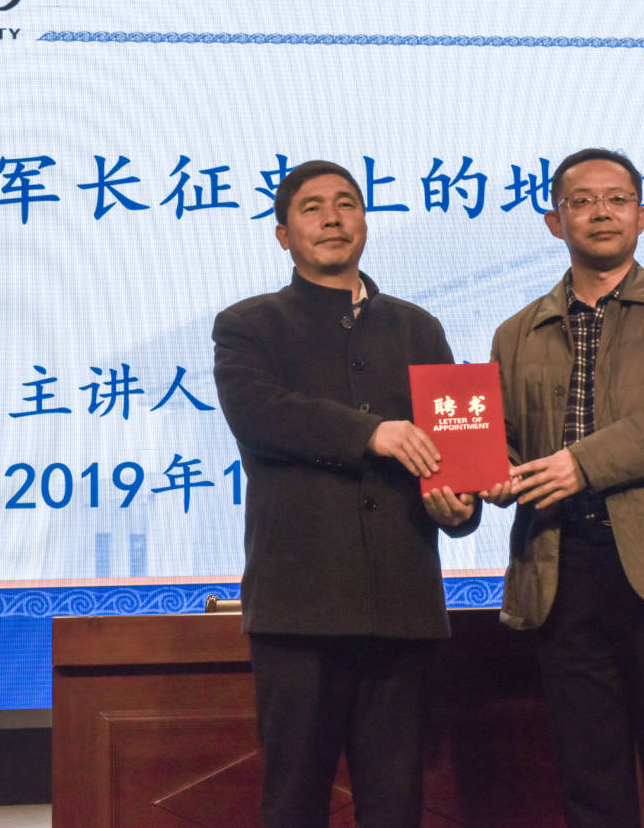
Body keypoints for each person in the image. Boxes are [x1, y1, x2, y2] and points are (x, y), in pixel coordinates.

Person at [212, 160, 479, 828]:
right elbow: (261, 414)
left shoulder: (419, 327)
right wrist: (372, 433)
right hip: (299, 610)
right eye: (312, 208)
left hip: (402, 605)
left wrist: (461, 505)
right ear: (283, 235)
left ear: (364, 221)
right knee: (295, 802)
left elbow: (454, 447)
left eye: (346, 204)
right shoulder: (248, 325)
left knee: (396, 805)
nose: (332, 218)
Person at [483, 148, 644, 827]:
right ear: (554, 221)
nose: (601, 212)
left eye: (617, 199)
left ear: (642, 217)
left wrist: (581, 464)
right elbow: (502, 438)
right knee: (588, 777)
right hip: (561, 567)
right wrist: (489, 474)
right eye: (582, 200)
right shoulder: (516, 331)